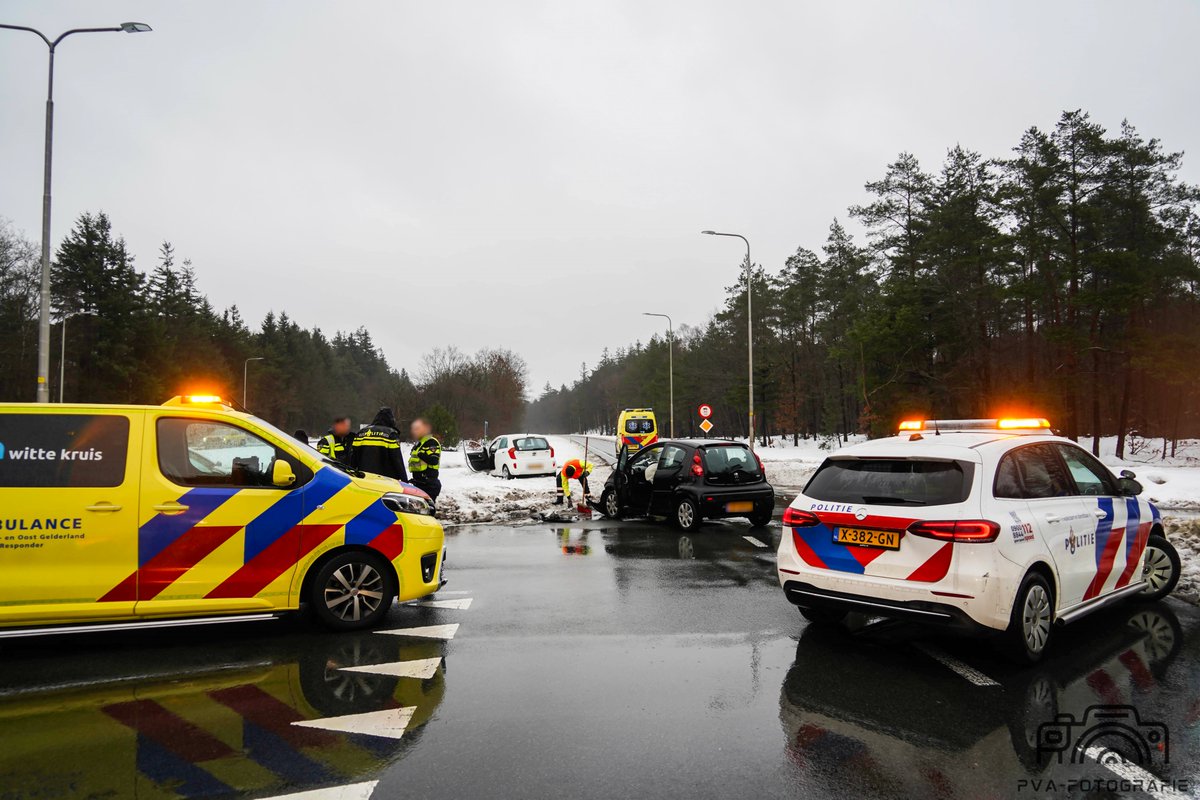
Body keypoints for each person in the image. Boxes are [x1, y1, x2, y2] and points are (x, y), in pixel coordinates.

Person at [350, 408, 408, 481]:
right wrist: (405, 481)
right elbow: (397, 460)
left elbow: (353, 460)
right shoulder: (391, 434)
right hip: (385, 481)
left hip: (364, 479)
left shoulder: (361, 433)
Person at [408, 417, 442, 505]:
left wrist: (420, 454)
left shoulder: (431, 442)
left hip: (428, 482)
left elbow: (434, 460)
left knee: (426, 508)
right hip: (418, 482)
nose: (415, 431)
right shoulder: (420, 443)